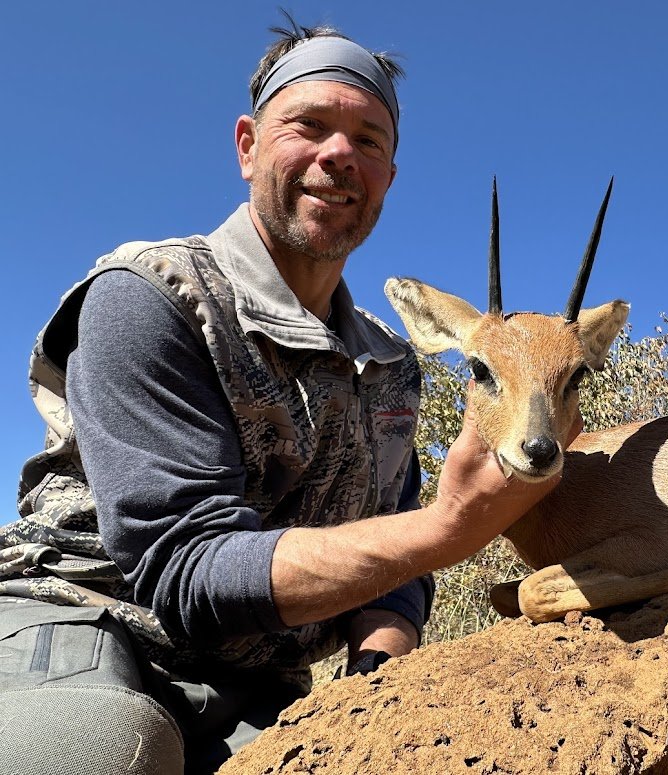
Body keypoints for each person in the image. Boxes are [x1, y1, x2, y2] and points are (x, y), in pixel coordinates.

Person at [0, 18, 569, 775]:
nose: (340, 154)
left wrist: (377, 680)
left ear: (388, 178)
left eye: (369, 140)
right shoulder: (149, 295)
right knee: (106, 750)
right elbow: (187, 570)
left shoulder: (392, 365)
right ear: (246, 146)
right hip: (85, 620)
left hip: (255, 683)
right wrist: (452, 526)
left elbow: (394, 575)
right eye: (310, 125)